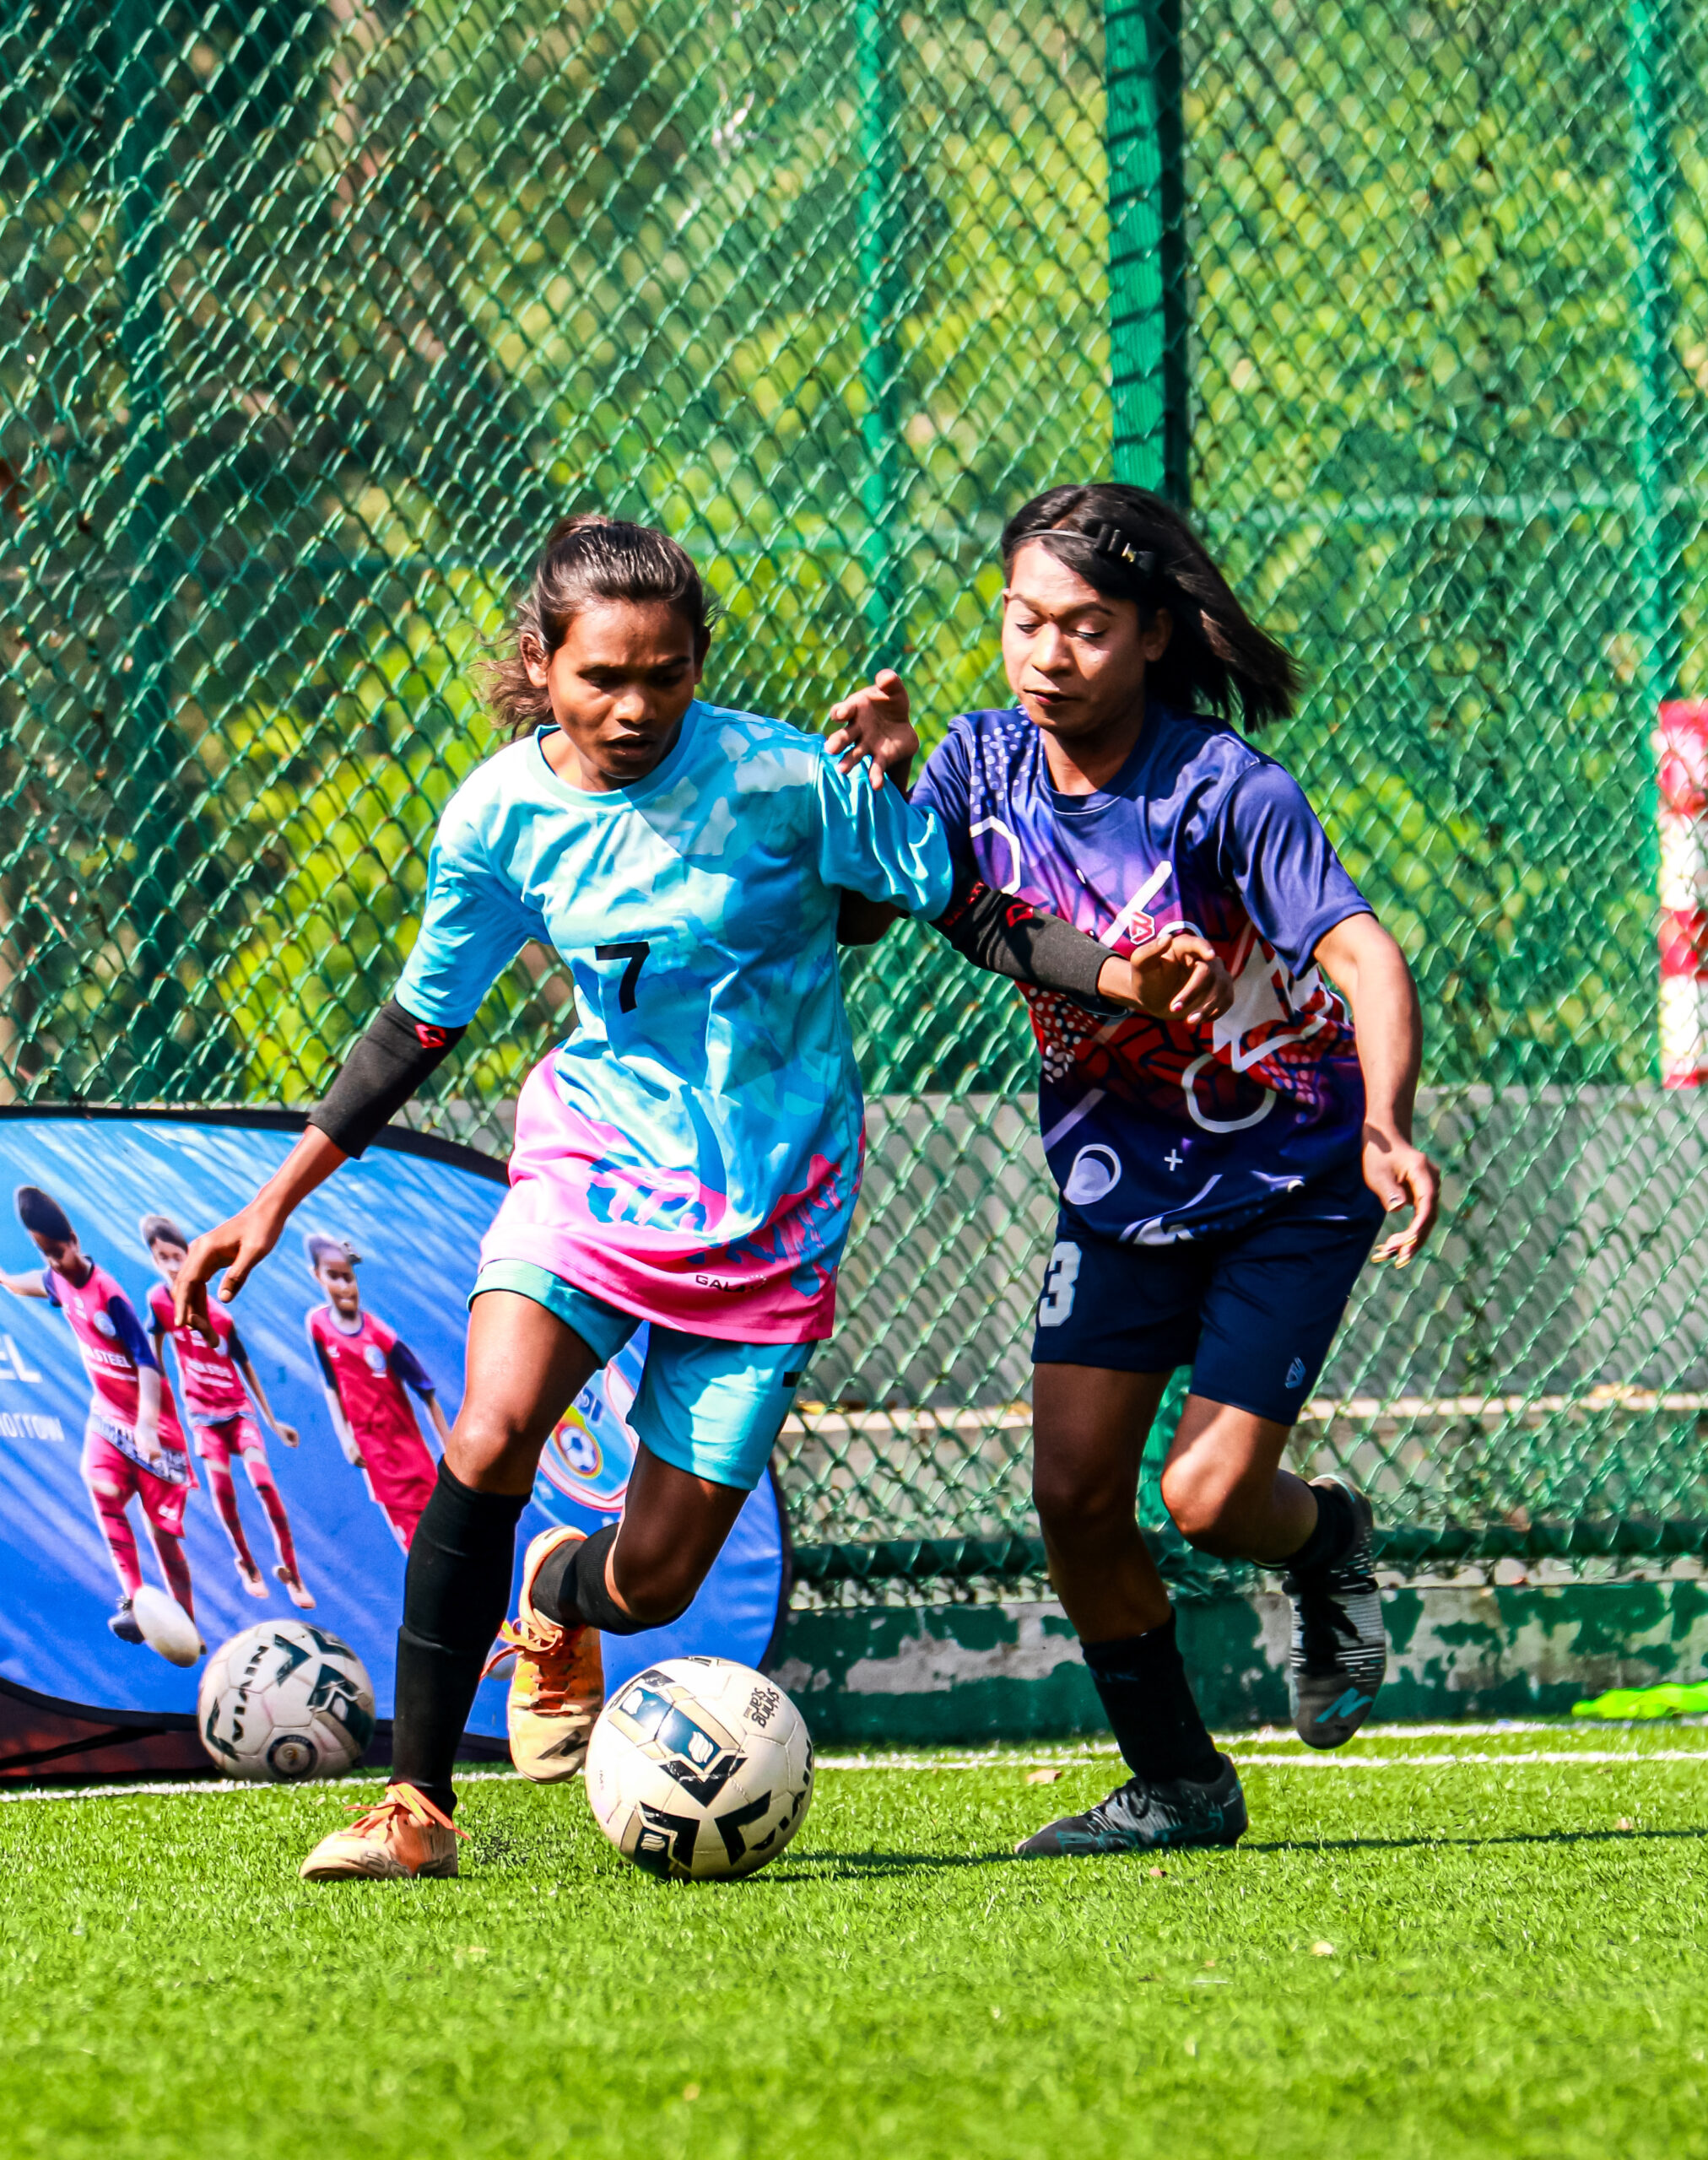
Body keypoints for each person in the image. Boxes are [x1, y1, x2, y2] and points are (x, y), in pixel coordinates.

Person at [167, 514, 977, 1887]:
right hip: (593, 1172)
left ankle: (556, 1593)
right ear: (543, 664)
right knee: (489, 1434)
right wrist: (277, 1199)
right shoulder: (499, 815)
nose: (634, 706)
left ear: (698, 664)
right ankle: (415, 1808)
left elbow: (868, 906)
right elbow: (419, 1025)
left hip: (769, 1210)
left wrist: (888, 799)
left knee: (653, 1584)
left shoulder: (780, 777)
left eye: (665, 675)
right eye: (602, 675)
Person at [900, 482, 1440, 1856]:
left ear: (1150, 633)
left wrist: (1385, 1122)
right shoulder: (975, 768)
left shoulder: (1223, 791)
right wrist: (875, 789)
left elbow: (1362, 953)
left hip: (1288, 1180)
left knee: (1204, 1499)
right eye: (1023, 621)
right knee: (1074, 1497)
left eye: (1085, 628)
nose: (1046, 655)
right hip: (1117, 1190)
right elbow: (900, 897)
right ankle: (1181, 1786)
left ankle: (1325, 1540)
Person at [2, 1185, 202, 1650]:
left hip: (152, 1427)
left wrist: (147, 1425)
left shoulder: (108, 1294)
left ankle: (186, 1623)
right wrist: (7, 1280)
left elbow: (148, 1364)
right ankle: (133, 1601)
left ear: (74, 1241)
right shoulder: (57, 1280)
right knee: (102, 1489)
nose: (53, 1262)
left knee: (163, 1536)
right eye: (44, 1254)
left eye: (57, 1252)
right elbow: (38, 1283)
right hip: (108, 1418)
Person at [142, 1214, 314, 1610]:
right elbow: (155, 1354)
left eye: (177, 1256)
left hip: (238, 1413)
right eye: (162, 1258)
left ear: (190, 1257)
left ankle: (292, 1572)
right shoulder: (159, 1302)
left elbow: (244, 1366)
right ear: (154, 1260)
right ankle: (248, 1564)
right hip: (203, 1418)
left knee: (265, 1485)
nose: (172, 1265)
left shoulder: (220, 1314)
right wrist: (159, 1409)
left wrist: (272, 1422)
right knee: (223, 1493)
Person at [302, 1233, 447, 1553]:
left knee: (442, 1545)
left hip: (415, 1465)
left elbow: (427, 1392)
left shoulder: (381, 1337)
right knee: (414, 1551)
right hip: (378, 1467)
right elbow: (331, 1385)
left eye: (348, 1277)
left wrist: (452, 1454)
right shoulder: (318, 1325)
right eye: (334, 1277)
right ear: (317, 1276)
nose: (344, 1287)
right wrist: (346, 1438)